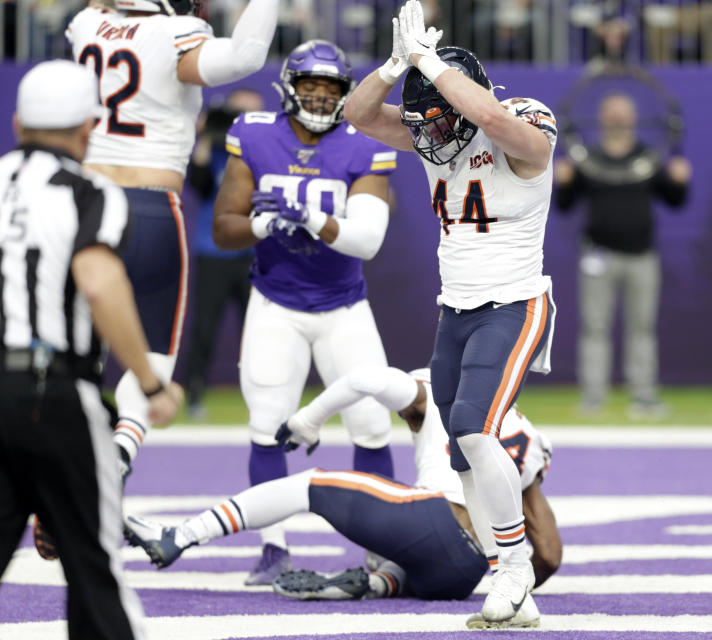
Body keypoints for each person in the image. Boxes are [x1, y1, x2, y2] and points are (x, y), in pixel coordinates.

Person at [343, 0, 558, 627]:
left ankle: (516, 567)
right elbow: (357, 115)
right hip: (456, 309)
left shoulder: (521, 122)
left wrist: (430, 63)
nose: (428, 136)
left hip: (514, 304)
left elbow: (488, 115)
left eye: (438, 120)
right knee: (459, 451)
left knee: (471, 424)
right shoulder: (435, 126)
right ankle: (506, 580)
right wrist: (392, 67)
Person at [124, 365, 561, 628]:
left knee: (309, 483)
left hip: (433, 517)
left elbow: (366, 379)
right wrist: (510, 583)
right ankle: (381, 581)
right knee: (403, 558)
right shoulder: (527, 431)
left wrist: (308, 420)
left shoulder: (435, 385)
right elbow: (548, 553)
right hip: (464, 573)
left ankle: (179, 535)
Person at [0, 60, 183, 640]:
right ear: (88, 127)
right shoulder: (91, 191)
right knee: (94, 567)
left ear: (18, 122)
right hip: (52, 392)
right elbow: (100, 283)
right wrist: (150, 385)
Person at [65, 0, 278, 482]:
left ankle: (62, 463)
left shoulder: (84, 26)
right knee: (155, 351)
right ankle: (120, 449)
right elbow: (245, 56)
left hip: (85, 203)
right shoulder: (175, 33)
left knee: (77, 348)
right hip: (148, 203)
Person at [211, 40, 398, 585]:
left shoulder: (363, 144)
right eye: (311, 87)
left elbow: (366, 241)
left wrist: (311, 220)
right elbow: (225, 228)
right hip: (275, 300)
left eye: (331, 89)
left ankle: (378, 544)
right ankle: (273, 548)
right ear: (289, 89)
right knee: (267, 425)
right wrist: (262, 226)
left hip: (344, 306)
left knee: (370, 425)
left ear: (345, 93)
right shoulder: (254, 133)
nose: (320, 98)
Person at [555, 93, 691, 418]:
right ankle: (593, 397)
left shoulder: (648, 158)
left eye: (623, 114)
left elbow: (675, 201)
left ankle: (643, 397)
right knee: (595, 327)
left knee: (641, 327)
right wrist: (564, 182)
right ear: (601, 118)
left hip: (642, 256)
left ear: (633, 118)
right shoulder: (588, 158)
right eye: (611, 113)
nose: (617, 119)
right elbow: (565, 205)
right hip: (598, 255)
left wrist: (680, 181)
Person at [183, 88, 264, 419]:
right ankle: (194, 395)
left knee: (259, 329)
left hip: (254, 254)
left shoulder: (263, 154)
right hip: (213, 251)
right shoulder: (215, 155)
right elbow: (198, 182)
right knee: (205, 327)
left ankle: (263, 395)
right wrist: (204, 133)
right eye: (235, 116)